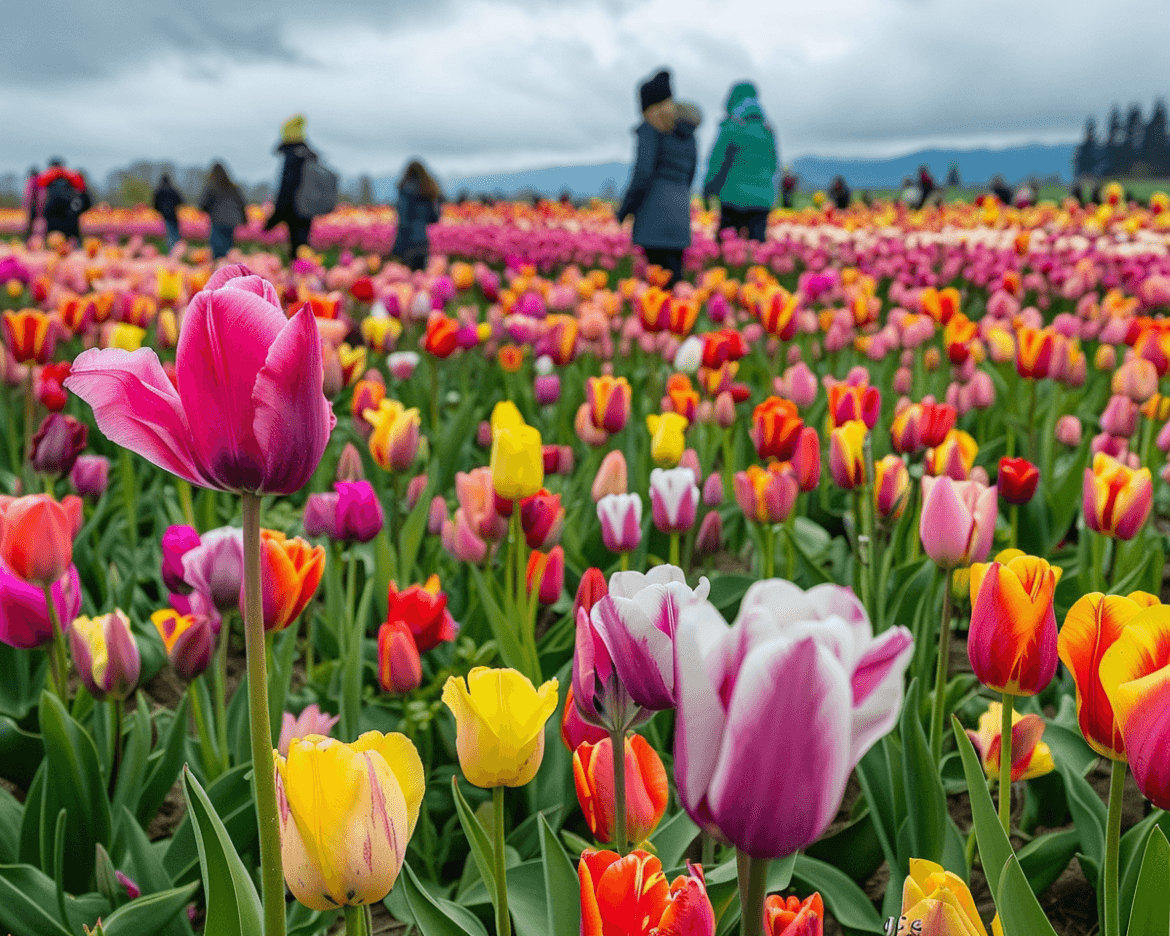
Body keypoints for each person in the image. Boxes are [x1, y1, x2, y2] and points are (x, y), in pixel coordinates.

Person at [617, 69, 699, 287]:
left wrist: (625, 211)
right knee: (675, 283)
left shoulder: (649, 130)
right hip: (680, 214)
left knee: (655, 289)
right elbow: (691, 172)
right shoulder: (687, 132)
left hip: (652, 217)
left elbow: (642, 174)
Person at [702, 81, 777, 242]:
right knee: (756, 249)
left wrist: (708, 190)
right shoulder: (767, 130)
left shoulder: (731, 127)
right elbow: (773, 165)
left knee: (728, 247)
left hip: (732, 198)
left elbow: (717, 163)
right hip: (761, 200)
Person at [263, 113, 316, 257]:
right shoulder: (308, 155)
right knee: (304, 247)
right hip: (307, 210)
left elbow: (287, 188)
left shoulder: (293, 157)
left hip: (294, 211)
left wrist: (274, 218)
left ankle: (300, 274)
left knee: (297, 248)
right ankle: (306, 272)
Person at [390, 160, 443, 271]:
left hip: (407, 240)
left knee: (407, 281)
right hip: (422, 241)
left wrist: (397, 247)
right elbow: (434, 218)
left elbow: (403, 220)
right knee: (420, 277)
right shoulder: (427, 191)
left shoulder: (405, 190)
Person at [198, 162, 247, 260]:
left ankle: (219, 266)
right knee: (228, 246)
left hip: (218, 220)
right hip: (232, 221)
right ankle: (228, 265)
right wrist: (244, 219)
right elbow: (242, 203)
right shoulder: (233, 188)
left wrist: (207, 210)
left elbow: (203, 204)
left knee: (217, 246)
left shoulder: (212, 187)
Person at [38, 159, 90, 242]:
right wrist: (75, 212)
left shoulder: (46, 182)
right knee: (73, 246)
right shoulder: (73, 179)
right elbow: (86, 201)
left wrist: (41, 216)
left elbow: (40, 204)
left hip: (53, 224)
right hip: (71, 222)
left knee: (53, 247)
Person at [152, 174, 185, 250]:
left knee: (169, 236)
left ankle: (172, 253)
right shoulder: (173, 190)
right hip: (173, 216)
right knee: (175, 236)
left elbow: (155, 204)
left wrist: (160, 210)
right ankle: (176, 252)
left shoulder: (159, 191)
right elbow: (181, 201)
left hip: (164, 216)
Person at [22, 167, 39, 240]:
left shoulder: (30, 181)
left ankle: (28, 240)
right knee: (35, 225)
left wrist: (25, 206)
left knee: (29, 225)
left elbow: (27, 196)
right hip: (36, 207)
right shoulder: (38, 181)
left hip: (31, 207)